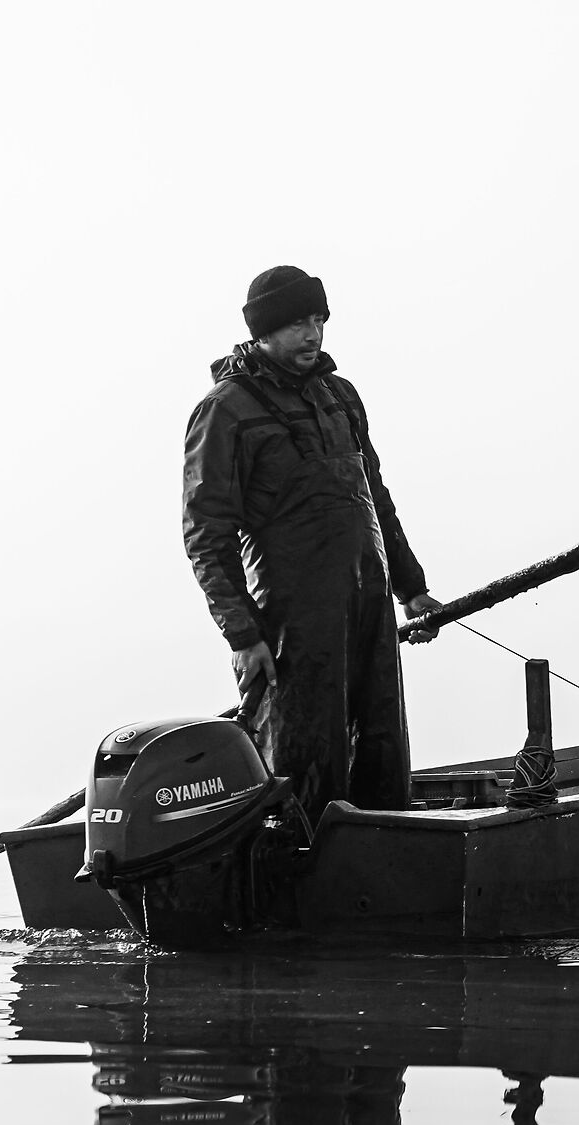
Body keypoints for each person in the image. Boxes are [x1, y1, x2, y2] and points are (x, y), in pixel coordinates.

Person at [182, 266, 442, 817]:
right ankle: (298, 865)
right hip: (291, 623)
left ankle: (379, 858)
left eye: (319, 319)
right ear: (263, 331)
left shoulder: (341, 397)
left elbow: (375, 494)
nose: (313, 334)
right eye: (298, 322)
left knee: (381, 744)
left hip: (368, 606)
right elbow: (206, 534)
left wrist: (411, 587)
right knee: (302, 756)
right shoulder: (225, 410)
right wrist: (242, 635)